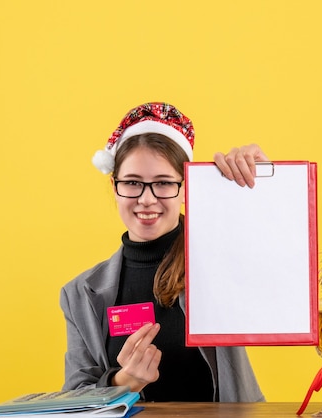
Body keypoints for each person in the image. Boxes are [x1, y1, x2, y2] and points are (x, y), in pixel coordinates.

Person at [60, 102, 267, 402]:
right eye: (132, 183)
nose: (146, 199)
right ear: (114, 186)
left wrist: (261, 185)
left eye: (163, 183)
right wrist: (124, 381)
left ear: (186, 189)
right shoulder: (79, 293)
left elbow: (276, 264)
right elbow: (74, 399)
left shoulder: (217, 261)